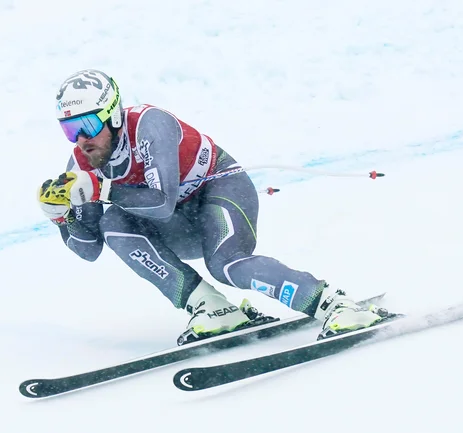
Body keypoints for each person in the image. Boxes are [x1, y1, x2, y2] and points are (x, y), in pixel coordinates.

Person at [37, 69, 386, 342]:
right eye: (70, 131)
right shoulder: (82, 164)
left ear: (113, 116)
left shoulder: (148, 124)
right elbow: (89, 250)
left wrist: (104, 188)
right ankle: (212, 308)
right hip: (180, 225)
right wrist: (62, 217)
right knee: (113, 223)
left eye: (87, 125)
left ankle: (333, 303)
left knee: (227, 265)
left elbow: (162, 201)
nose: (81, 140)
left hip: (219, 190)